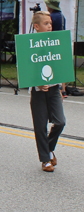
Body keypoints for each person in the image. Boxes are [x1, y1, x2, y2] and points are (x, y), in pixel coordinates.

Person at [29, 11, 66, 172]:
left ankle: (48, 149)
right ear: (36, 26)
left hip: (53, 89)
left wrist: (61, 89)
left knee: (60, 121)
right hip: (38, 92)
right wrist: (37, 83)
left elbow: (60, 65)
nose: (50, 26)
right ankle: (45, 159)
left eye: (50, 23)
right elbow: (26, 68)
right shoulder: (29, 44)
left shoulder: (56, 42)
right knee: (40, 126)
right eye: (46, 23)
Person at [44, 0, 68, 97]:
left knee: (52, 64)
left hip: (52, 43)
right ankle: (63, 89)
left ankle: (55, 86)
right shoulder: (61, 16)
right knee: (60, 65)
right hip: (60, 42)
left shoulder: (51, 16)